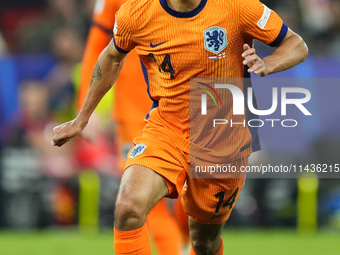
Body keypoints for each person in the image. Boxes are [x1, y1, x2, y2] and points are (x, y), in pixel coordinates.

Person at [51, 0, 308, 254]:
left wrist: (269, 64)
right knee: (129, 205)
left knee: (203, 242)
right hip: (167, 127)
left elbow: (296, 44)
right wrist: (82, 117)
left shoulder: (237, 6)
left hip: (224, 136)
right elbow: (110, 56)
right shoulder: (136, 12)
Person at [77, 0, 186, 254]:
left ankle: (183, 240)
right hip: (135, 114)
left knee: (194, 201)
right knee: (141, 200)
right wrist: (87, 107)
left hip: (190, 107)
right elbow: (98, 45)